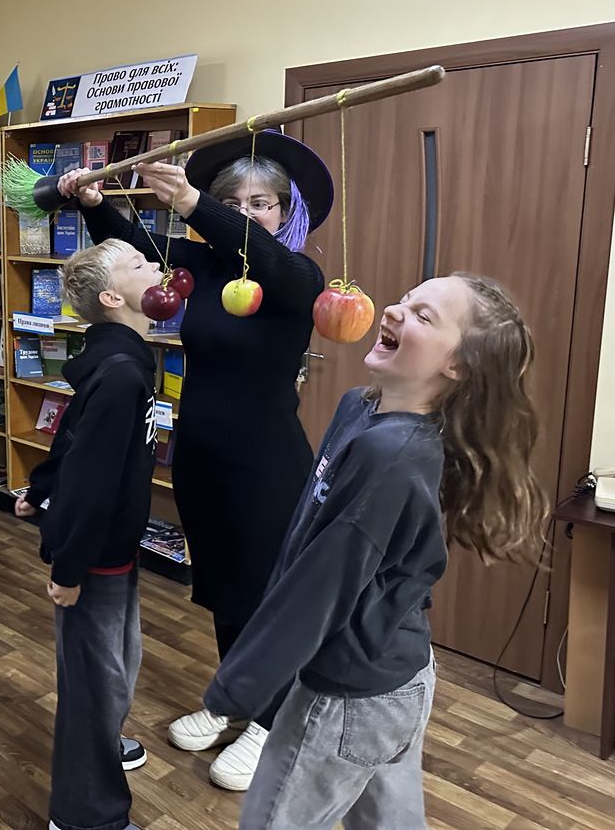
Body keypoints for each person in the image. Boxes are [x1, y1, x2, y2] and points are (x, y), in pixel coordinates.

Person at [186, 274, 549, 829]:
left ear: (458, 365)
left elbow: (323, 582)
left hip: (351, 696)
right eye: (405, 299)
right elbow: (313, 532)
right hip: (396, 677)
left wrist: (241, 683)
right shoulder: (360, 407)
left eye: (424, 316)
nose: (395, 311)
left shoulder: (394, 456)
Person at [57, 130, 334, 788]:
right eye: (231, 202)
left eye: (260, 203)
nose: (245, 213)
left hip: (266, 464)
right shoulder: (205, 267)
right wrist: (93, 204)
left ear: (286, 211)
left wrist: (195, 203)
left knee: (266, 593)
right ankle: (236, 697)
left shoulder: (299, 277)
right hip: (201, 455)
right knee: (223, 586)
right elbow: (133, 250)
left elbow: (263, 256)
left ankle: (273, 719)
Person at [15, 239, 162, 830]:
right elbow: (91, 477)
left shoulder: (121, 360)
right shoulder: (122, 373)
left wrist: (38, 485)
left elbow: (73, 436)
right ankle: (84, 815)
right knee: (92, 684)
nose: (156, 267)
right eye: (139, 265)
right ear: (112, 298)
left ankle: (104, 740)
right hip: (92, 556)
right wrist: (68, 568)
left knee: (118, 663)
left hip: (114, 546)